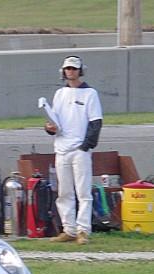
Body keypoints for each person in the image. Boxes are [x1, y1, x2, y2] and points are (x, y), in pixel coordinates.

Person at [46, 55, 103, 245]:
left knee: (83, 191)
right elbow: (55, 121)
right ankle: (68, 229)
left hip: (80, 149)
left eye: (74, 68)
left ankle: (83, 230)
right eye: (68, 69)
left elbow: (96, 122)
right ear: (63, 71)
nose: (70, 71)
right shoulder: (60, 94)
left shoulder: (90, 94)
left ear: (80, 71)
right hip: (61, 148)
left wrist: (86, 146)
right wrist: (50, 128)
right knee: (64, 192)